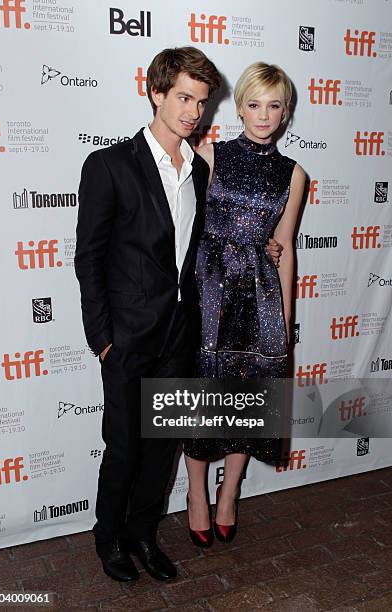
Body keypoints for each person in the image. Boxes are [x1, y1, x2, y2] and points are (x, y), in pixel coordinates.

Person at [75, 46, 222, 582]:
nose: (192, 112)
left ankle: (142, 532)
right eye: (183, 97)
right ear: (156, 93)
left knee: (161, 450)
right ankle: (108, 536)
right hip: (128, 338)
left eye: (201, 102)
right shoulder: (110, 165)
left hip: (179, 336)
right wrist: (102, 338)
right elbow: (88, 257)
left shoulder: (199, 172)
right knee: (124, 447)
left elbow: (194, 252)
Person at [184, 62, 305, 547]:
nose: (263, 115)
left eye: (274, 105)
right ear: (239, 107)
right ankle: (197, 495)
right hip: (209, 289)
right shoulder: (208, 155)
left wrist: (287, 317)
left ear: (285, 112)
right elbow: (188, 228)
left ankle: (229, 493)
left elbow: (285, 245)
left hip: (260, 297)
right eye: (254, 104)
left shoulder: (293, 174)